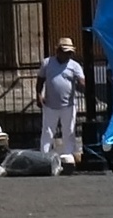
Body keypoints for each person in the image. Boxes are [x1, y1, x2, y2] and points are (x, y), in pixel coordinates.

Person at [36, 38, 85, 169]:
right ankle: (44, 157)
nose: (68, 55)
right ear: (58, 51)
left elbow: (82, 81)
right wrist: (39, 95)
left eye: (70, 53)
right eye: (65, 52)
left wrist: (81, 84)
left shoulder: (75, 66)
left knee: (69, 132)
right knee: (47, 132)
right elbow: (40, 80)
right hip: (50, 105)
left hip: (68, 105)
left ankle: (68, 157)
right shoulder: (47, 63)